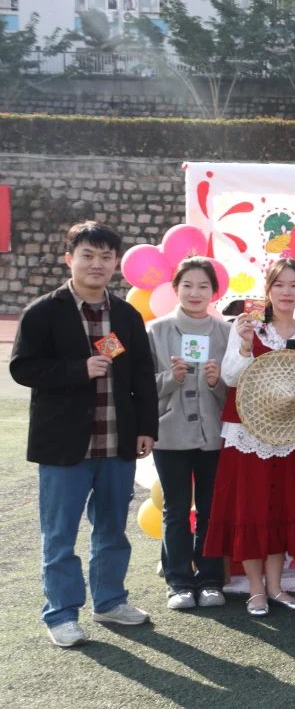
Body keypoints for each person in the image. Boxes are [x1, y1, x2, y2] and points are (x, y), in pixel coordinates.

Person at [11, 221, 158, 648]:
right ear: (69, 259)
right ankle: (61, 614)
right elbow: (23, 367)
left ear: (116, 263)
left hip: (116, 444)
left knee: (112, 531)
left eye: (105, 257)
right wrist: (79, 370)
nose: (97, 264)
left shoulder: (125, 315)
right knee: (60, 535)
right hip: (64, 448)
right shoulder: (44, 311)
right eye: (87, 255)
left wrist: (146, 428)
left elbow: (142, 376)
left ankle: (110, 602)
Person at [204, 258, 295, 617]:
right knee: (250, 510)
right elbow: (231, 378)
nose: (287, 292)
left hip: (287, 436)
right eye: (279, 284)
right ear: (267, 290)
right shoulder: (248, 326)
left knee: (281, 510)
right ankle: (256, 590)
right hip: (247, 434)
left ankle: (277, 587)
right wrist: (244, 345)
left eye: (294, 285)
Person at [146, 257, 231, 611]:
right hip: (170, 433)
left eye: (203, 286)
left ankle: (209, 579)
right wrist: (171, 378)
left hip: (214, 435)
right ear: (175, 288)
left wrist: (216, 382)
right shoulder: (156, 331)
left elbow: (238, 390)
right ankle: (178, 581)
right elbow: (139, 387)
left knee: (211, 509)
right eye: (187, 285)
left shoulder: (226, 333)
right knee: (177, 509)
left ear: (214, 291)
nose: (195, 293)